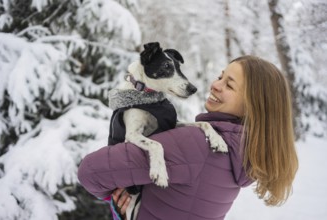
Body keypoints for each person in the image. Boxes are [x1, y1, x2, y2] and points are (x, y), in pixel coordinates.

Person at [77, 55, 298, 220]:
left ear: (253, 105)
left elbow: (90, 172)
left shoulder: (195, 144)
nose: (215, 84)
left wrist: (118, 204)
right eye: (220, 76)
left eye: (229, 84)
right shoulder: (244, 151)